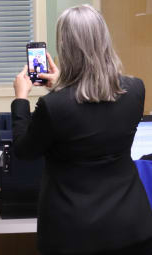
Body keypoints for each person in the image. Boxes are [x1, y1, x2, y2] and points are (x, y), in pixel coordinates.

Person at [11, 5, 152, 255]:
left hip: (72, 233)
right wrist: (61, 87)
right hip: (131, 226)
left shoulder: (53, 106)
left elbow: (24, 150)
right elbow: (93, 107)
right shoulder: (136, 90)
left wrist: (20, 99)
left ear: (65, 47)